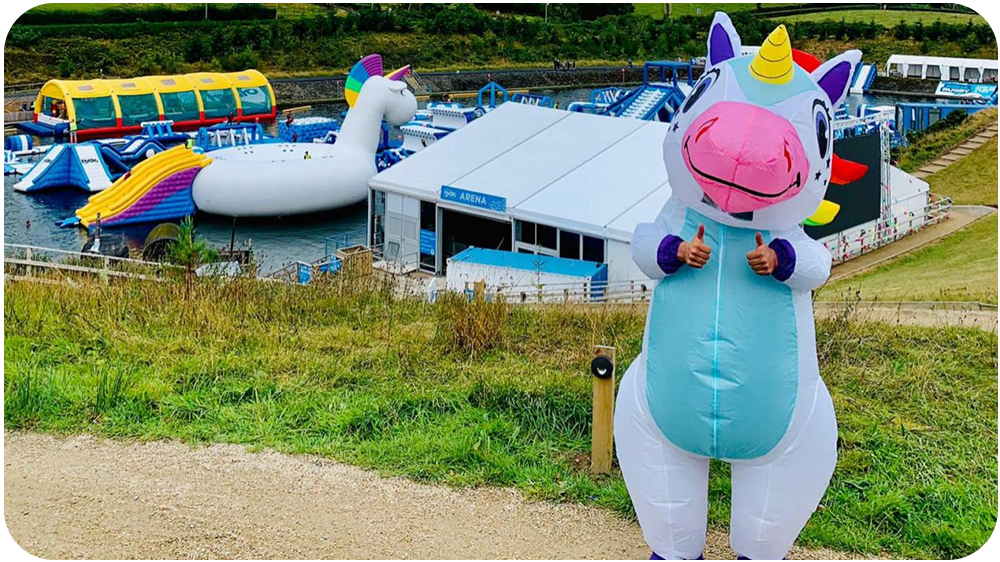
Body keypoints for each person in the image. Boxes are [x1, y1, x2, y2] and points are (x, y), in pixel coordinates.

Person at [615, 14, 861, 561]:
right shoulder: (679, 212)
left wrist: (781, 258)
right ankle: (675, 548)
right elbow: (644, 245)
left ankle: (758, 548)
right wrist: (674, 250)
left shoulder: (784, 230)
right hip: (669, 396)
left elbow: (816, 264)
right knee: (663, 479)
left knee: (769, 514)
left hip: (773, 407)